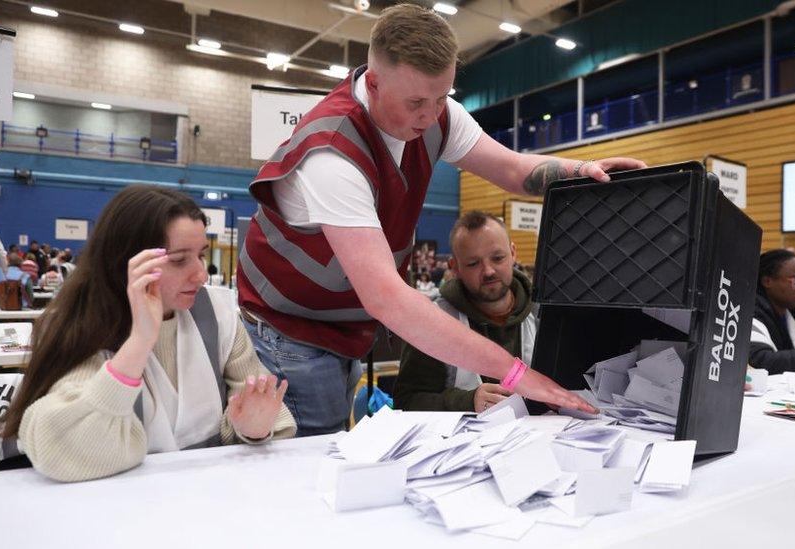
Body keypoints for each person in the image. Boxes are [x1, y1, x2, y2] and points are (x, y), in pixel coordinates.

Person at [238, 4, 640, 434]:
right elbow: (387, 298)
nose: (430, 116)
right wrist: (518, 374)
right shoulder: (331, 155)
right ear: (373, 83)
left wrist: (583, 169)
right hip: (290, 332)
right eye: (416, 102)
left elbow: (511, 169)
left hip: (342, 330)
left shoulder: (435, 114)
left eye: (441, 97)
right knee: (313, 461)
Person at [0, 186, 296, 482]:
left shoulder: (217, 314)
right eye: (179, 260)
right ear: (128, 263)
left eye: (201, 256)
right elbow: (62, 451)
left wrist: (251, 429)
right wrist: (140, 340)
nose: (201, 275)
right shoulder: (83, 326)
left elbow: (271, 417)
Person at [395, 211, 536, 412]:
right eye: (473, 263)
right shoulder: (432, 323)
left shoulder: (545, 315)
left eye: (497, 258)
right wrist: (466, 402)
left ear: (513, 253)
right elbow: (407, 402)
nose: (488, 271)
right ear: (455, 268)